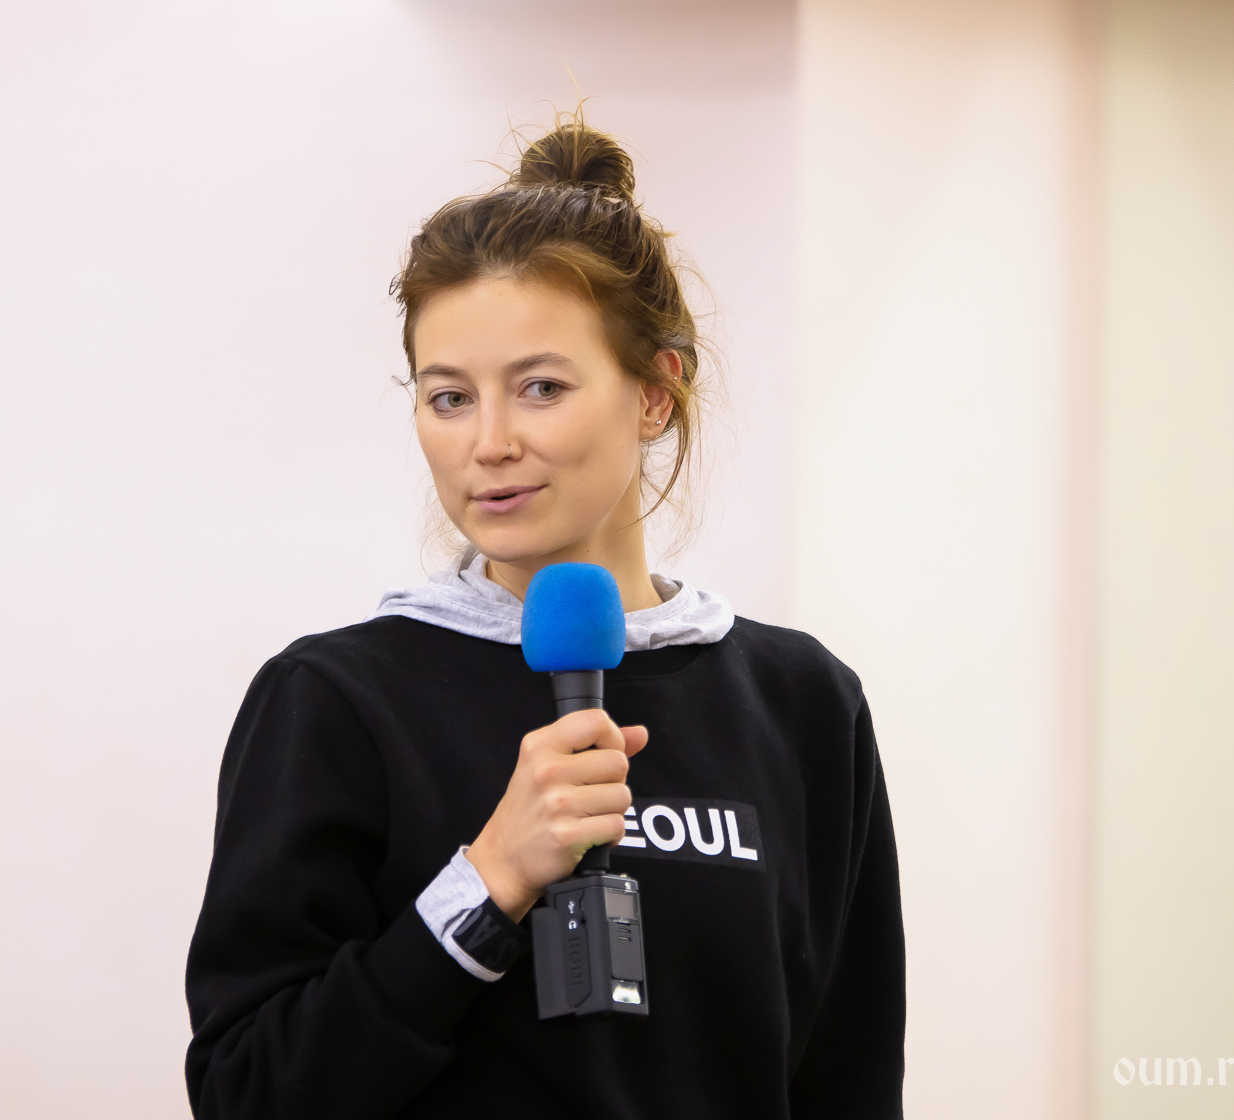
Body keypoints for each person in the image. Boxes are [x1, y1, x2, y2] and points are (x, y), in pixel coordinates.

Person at [184, 114, 904, 1119]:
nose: (488, 443)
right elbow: (247, 1093)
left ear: (655, 394)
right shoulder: (335, 702)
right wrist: (485, 883)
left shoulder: (804, 705)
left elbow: (848, 1081)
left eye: (540, 388)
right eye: (449, 398)